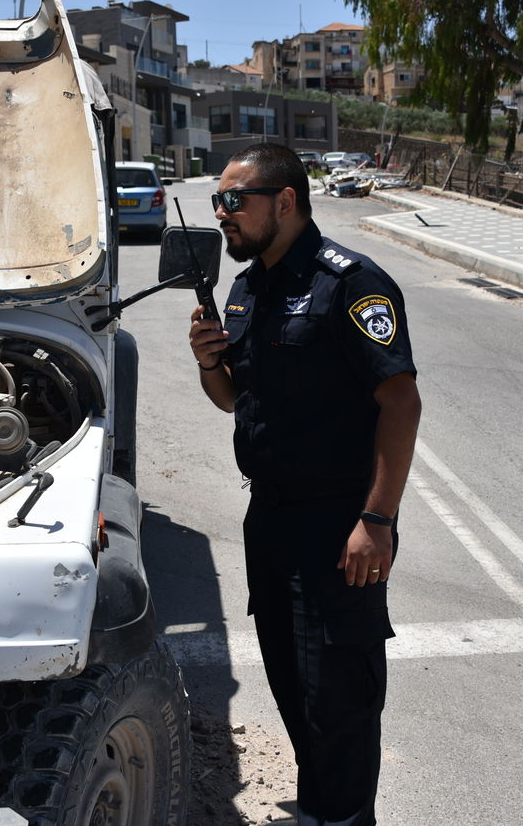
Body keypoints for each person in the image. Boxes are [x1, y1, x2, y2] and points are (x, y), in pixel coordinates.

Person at [188, 143, 421, 826]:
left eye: (235, 200)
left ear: (284, 202)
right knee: (295, 693)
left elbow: (400, 403)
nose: (223, 215)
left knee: (341, 707)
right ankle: (322, 813)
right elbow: (235, 399)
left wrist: (376, 520)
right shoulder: (248, 286)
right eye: (217, 202)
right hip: (273, 523)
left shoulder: (349, 283)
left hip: (340, 526)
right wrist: (209, 365)